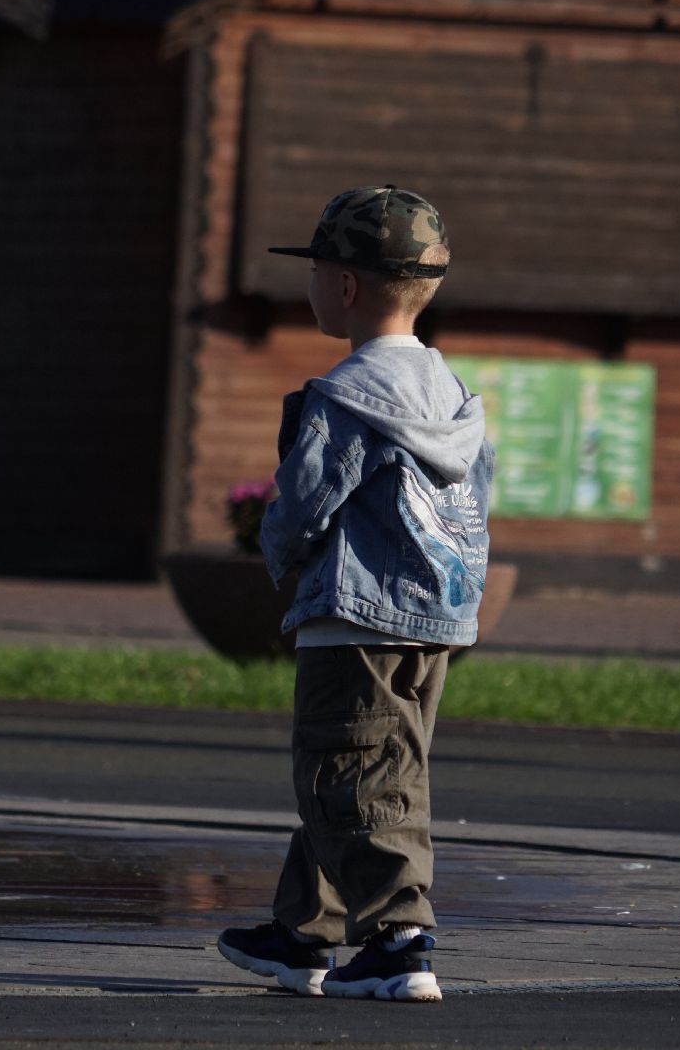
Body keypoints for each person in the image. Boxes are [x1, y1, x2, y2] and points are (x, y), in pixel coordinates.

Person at [215, 186, 494, 1003]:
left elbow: (304, 500)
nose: (309, 285)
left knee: (351, 775)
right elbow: (475, 500)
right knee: (370, 767)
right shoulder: (450, 393)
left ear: (343, 285)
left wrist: (279, 557)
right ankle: (304, 932)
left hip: (355, 617)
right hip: (435, 614)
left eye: (315, 269)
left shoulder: (348, 395)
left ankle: (399, 942)